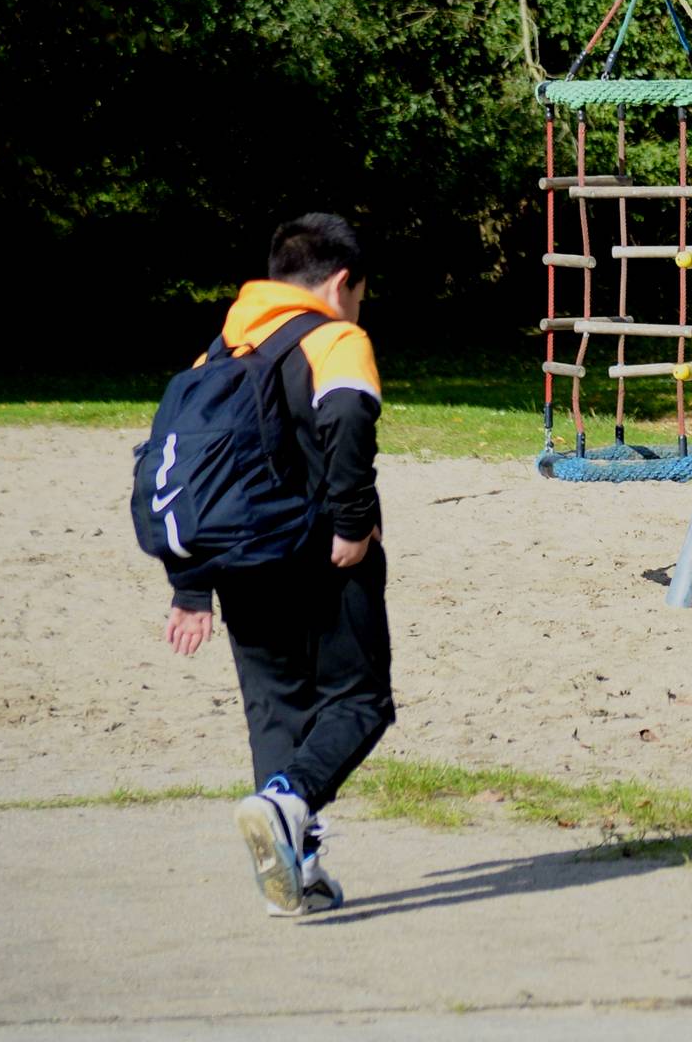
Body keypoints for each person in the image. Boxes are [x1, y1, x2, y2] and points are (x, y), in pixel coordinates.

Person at [160, 214, 392, 916]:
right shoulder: (336, 337)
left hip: (236, 562)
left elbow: (185, 466)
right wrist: (353, 522)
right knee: (359, 702)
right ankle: (291, 806)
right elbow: (350, 416)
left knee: (277, 713)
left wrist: (190, 582)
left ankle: (298, 870)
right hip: (322, 552)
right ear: (341, 282)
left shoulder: (221, 350)